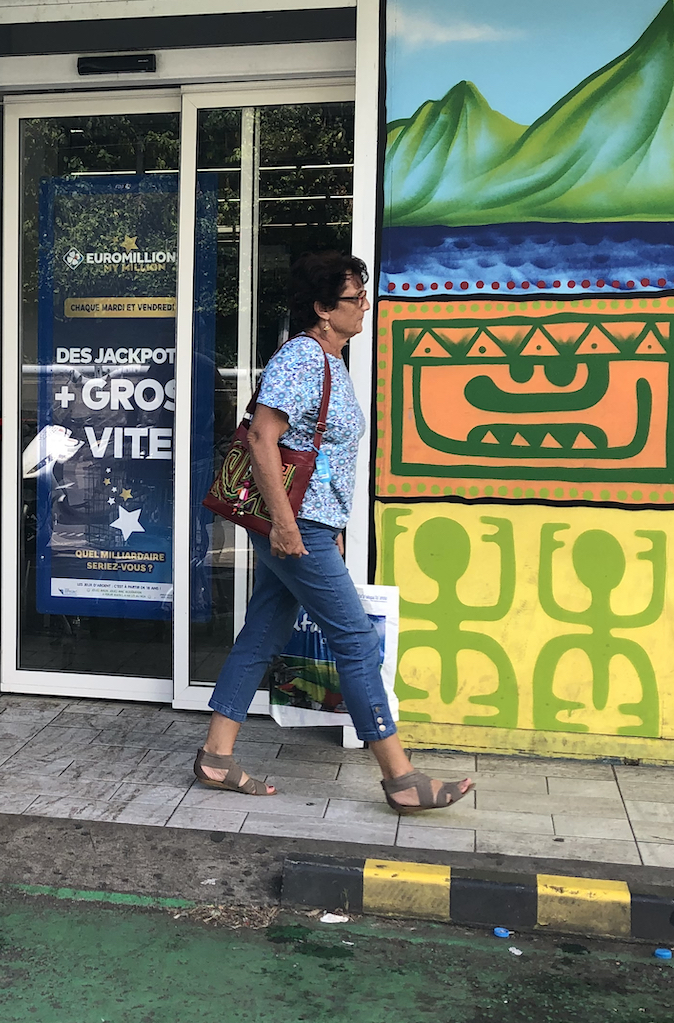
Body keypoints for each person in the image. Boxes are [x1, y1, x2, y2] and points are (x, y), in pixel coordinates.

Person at [199, 252, 472, 814]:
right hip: (296, 528)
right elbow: (261, 439)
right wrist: (284, 524)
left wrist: (332, 523)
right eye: (354, 298)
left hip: (313, 525)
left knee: (263, 632)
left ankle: (215, 756)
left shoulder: (329, 362)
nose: (365, 305)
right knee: (355, 638)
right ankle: (400, 777)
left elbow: (321, 456)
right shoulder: (300, 359)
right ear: (323, 309)